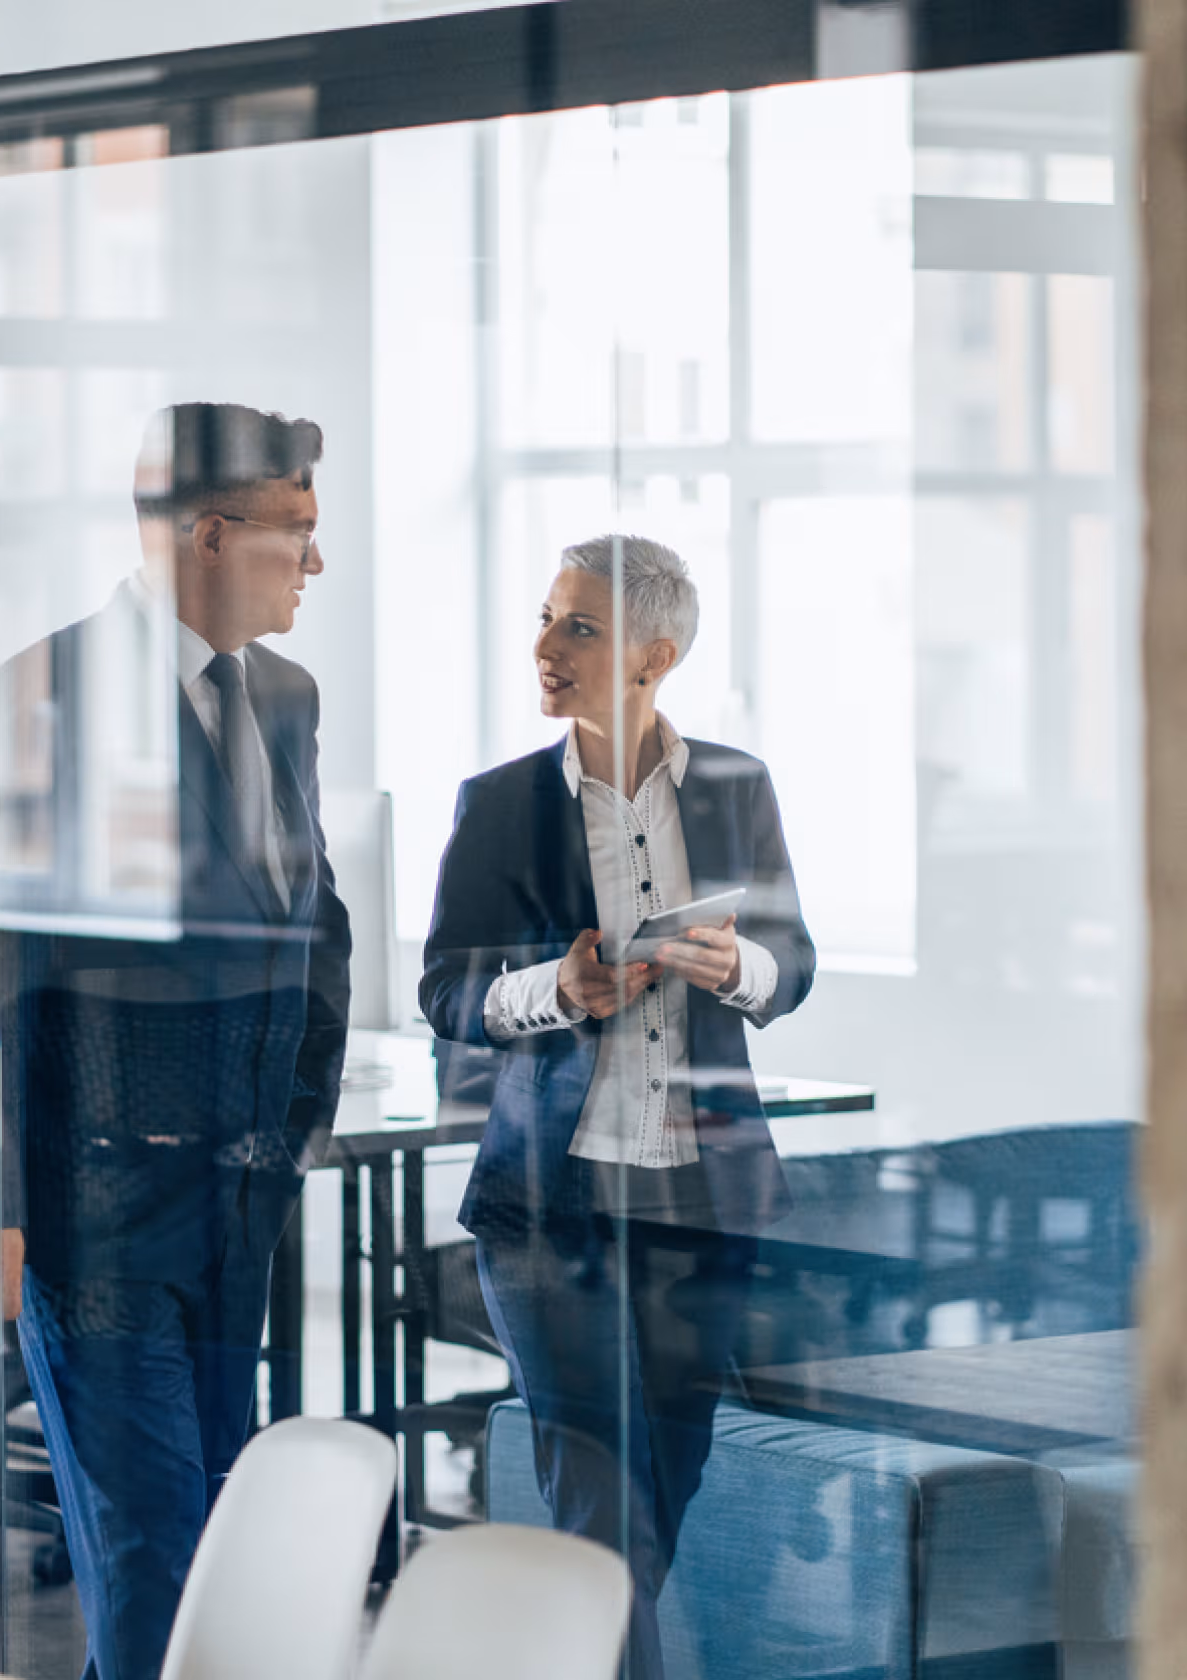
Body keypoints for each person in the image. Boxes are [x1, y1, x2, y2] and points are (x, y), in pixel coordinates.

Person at [0, 402, 352, 1680]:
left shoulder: (286, 695)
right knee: (152, 1545)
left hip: (239, 1198)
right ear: (210, 534)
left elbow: (309, 909)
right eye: (297, 535)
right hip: (95, 1199)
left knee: (227, 1530)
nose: (315, 568)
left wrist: (301, 1115)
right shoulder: (46, 691)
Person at [420, 535, 815, 1680]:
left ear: (655, 655)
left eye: (577, 628)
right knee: (596, 1495)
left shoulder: (739, 786)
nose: (544, 646)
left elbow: (793, 964)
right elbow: (444, 988)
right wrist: (558, 988)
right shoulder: (498, 806)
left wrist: (731, 966)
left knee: (664, 1481)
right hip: (550, 1208)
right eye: (545, 619)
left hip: (701, 1203)